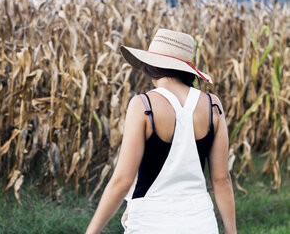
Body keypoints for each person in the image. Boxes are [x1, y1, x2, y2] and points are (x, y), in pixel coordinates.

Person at [85, 29, 236, 234]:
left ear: (150, 65)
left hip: (150, 222)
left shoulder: (143, 105)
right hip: (201, 222)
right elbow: (221, 179)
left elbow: (123, 180)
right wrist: (231, 230)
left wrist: (91, 231)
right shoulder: (212, 105)